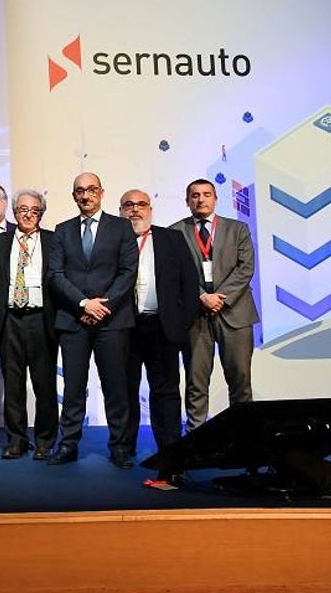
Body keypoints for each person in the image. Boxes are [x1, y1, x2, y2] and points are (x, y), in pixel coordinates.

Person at [46, 172, 139, 468]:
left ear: (101, 192)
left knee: (115, 387)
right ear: (73, 195)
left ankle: (119, 446)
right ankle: (68, 444)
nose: (85, 195)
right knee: (73, 388)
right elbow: (55, 275)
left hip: (112, 320)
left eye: (91, 190)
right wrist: (84, 304)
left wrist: (101, 305)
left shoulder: (122, 227)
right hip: (73, 319)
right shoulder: (62, 230)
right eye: (80, 191)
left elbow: (128, 272)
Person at [120, 189, 198, 482]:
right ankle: (124, 449)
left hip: (162, 328)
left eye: (141, 204)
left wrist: (182, 323)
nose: (135, 210)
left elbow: (189, 282)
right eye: (128, 205)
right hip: (125, 328)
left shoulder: (171, 239)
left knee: (165, 392)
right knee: (125, 391)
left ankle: (170, 450)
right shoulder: (113, 240)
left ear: (150, 209)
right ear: (120, 211)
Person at [170, 178, 259, 432]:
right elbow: (174, 273)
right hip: (195, 316)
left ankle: (243, 434)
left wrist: (220, 297)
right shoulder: (175, 232)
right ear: (187, 201)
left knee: (240, 381)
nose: (201, 199)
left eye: (206, 194)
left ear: (216, 199)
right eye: (195, 195)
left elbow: (245, 268)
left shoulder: (238, 229)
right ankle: (196, 437)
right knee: (196, 383)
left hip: (235, 313)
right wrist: (201, 296)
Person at [0, 188, 58, 460]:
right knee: (13, 384)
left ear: (41, 214)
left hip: (42, 319)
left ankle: (45, 441)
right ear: (14, 212)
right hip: (10, 320)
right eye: (22, 210)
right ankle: (16, 440)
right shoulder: (0, 242)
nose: (28, 215)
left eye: (34, 210)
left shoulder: (54, 240)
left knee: (45, 384)